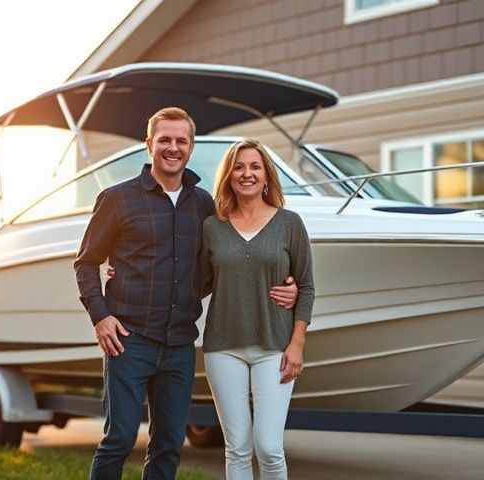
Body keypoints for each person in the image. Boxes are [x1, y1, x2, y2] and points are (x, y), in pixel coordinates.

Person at [73, 107, 298, 480]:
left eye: (181, 141)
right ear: (149, 145)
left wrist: (284, 286)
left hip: (179, 344)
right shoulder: (118, 199)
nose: (173, 148)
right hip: (129, 340)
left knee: (169, 444)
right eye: (165, 140)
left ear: (191, 147)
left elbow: (225, 266)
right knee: (120, 437)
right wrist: (101, 316)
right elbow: (86, 263)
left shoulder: (204, 206)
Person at [201, 139, 315, 480]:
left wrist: (297, 344)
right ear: (228, 176)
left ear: (267, 176)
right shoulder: (212, 227)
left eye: (254, 166)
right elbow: (195, 282)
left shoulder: (290, 223)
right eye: (239, 166)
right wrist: (128, 270)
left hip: (275, 349)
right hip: (223, 348)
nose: (246, 173)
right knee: (236, 448)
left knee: (269, 447)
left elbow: (306, 286)